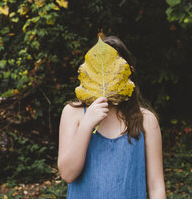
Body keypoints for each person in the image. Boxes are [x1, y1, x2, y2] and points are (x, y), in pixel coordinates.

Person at [57, 36, 166, 199]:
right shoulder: (73, 113)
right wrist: (87, 124)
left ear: (128, 73)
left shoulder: (147, 120)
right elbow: (67, 174)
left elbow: (156, 186)